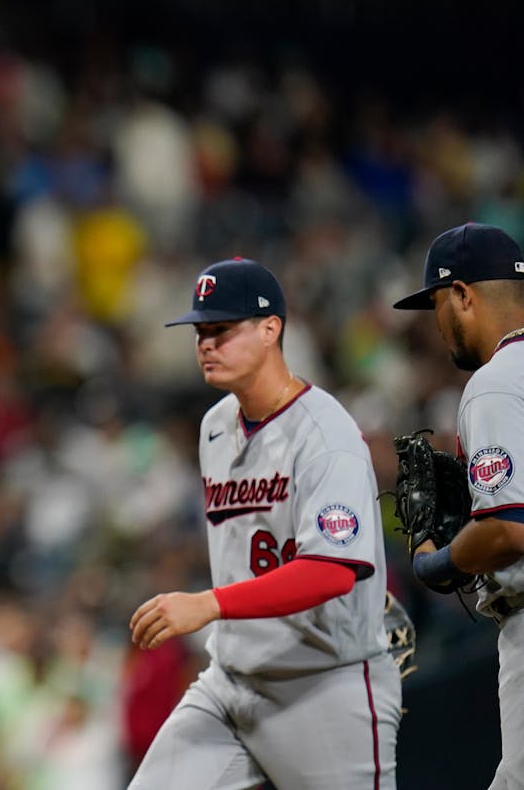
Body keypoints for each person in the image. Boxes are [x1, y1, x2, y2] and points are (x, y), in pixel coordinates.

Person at [129, 258, 401, 790]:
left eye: (222, 330)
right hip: (230, 681)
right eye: (201, 332)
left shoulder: (326, 434)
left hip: (324, 685)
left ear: (271, 328)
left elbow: (331, 571)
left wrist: (209, 603)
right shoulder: (213, 427)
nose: (206, 344)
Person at [394, 222, 524, 789]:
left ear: (463, 295)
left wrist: (437, 563)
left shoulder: (497, 383)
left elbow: (509, 529)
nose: (436, 324)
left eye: (436, 304)